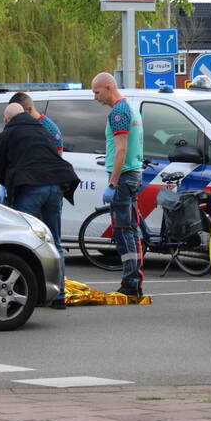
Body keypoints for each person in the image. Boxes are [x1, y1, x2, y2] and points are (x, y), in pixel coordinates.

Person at [0, 103, 80, 310]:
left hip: (31, 188)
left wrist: (7, 183)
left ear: (6, 120)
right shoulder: (42, 129)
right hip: (56, 186)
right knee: (55, 241)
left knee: (25, 242)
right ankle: (59, 295)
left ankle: (26, 293)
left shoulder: (9, 132)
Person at [90, 72, 145, 300]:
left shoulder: (118, 113)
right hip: (132, 174)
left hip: (123, 178)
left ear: (109, 87)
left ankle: (130, 283)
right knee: (130, 229)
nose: (95, 97)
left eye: (97, 92)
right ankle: (134, 281)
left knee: (123, 231)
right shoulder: (131, 108)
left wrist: (113, 183)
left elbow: (121, 150)